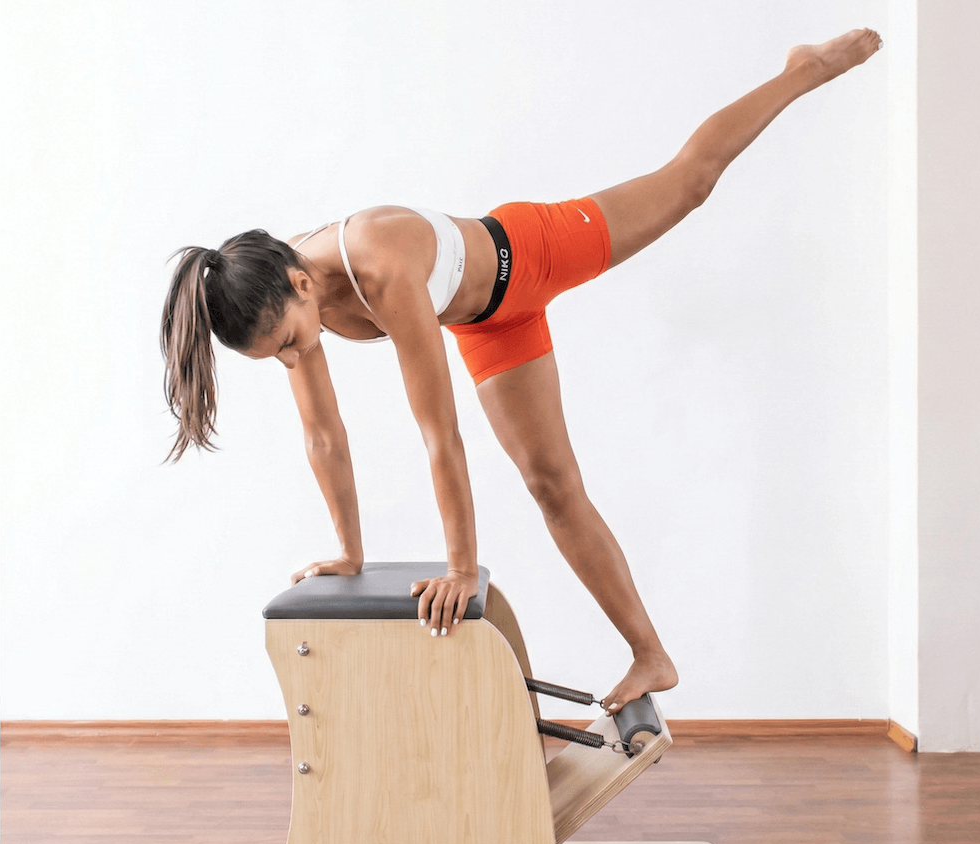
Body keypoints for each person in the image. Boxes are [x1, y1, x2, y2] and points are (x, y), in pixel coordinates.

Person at [160, 29, 883, 714]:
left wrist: (462, 567)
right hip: (487, 323)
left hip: (527, 252)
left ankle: (805, 69)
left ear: (302, 284)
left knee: (688, 183)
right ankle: (651, 654)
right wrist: (350, 551)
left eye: (288, 343)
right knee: (553, 485)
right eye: (277, 358)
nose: (295, 359)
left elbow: (440, 432)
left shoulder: (379, 264)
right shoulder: (283, 299)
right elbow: (324, 438)